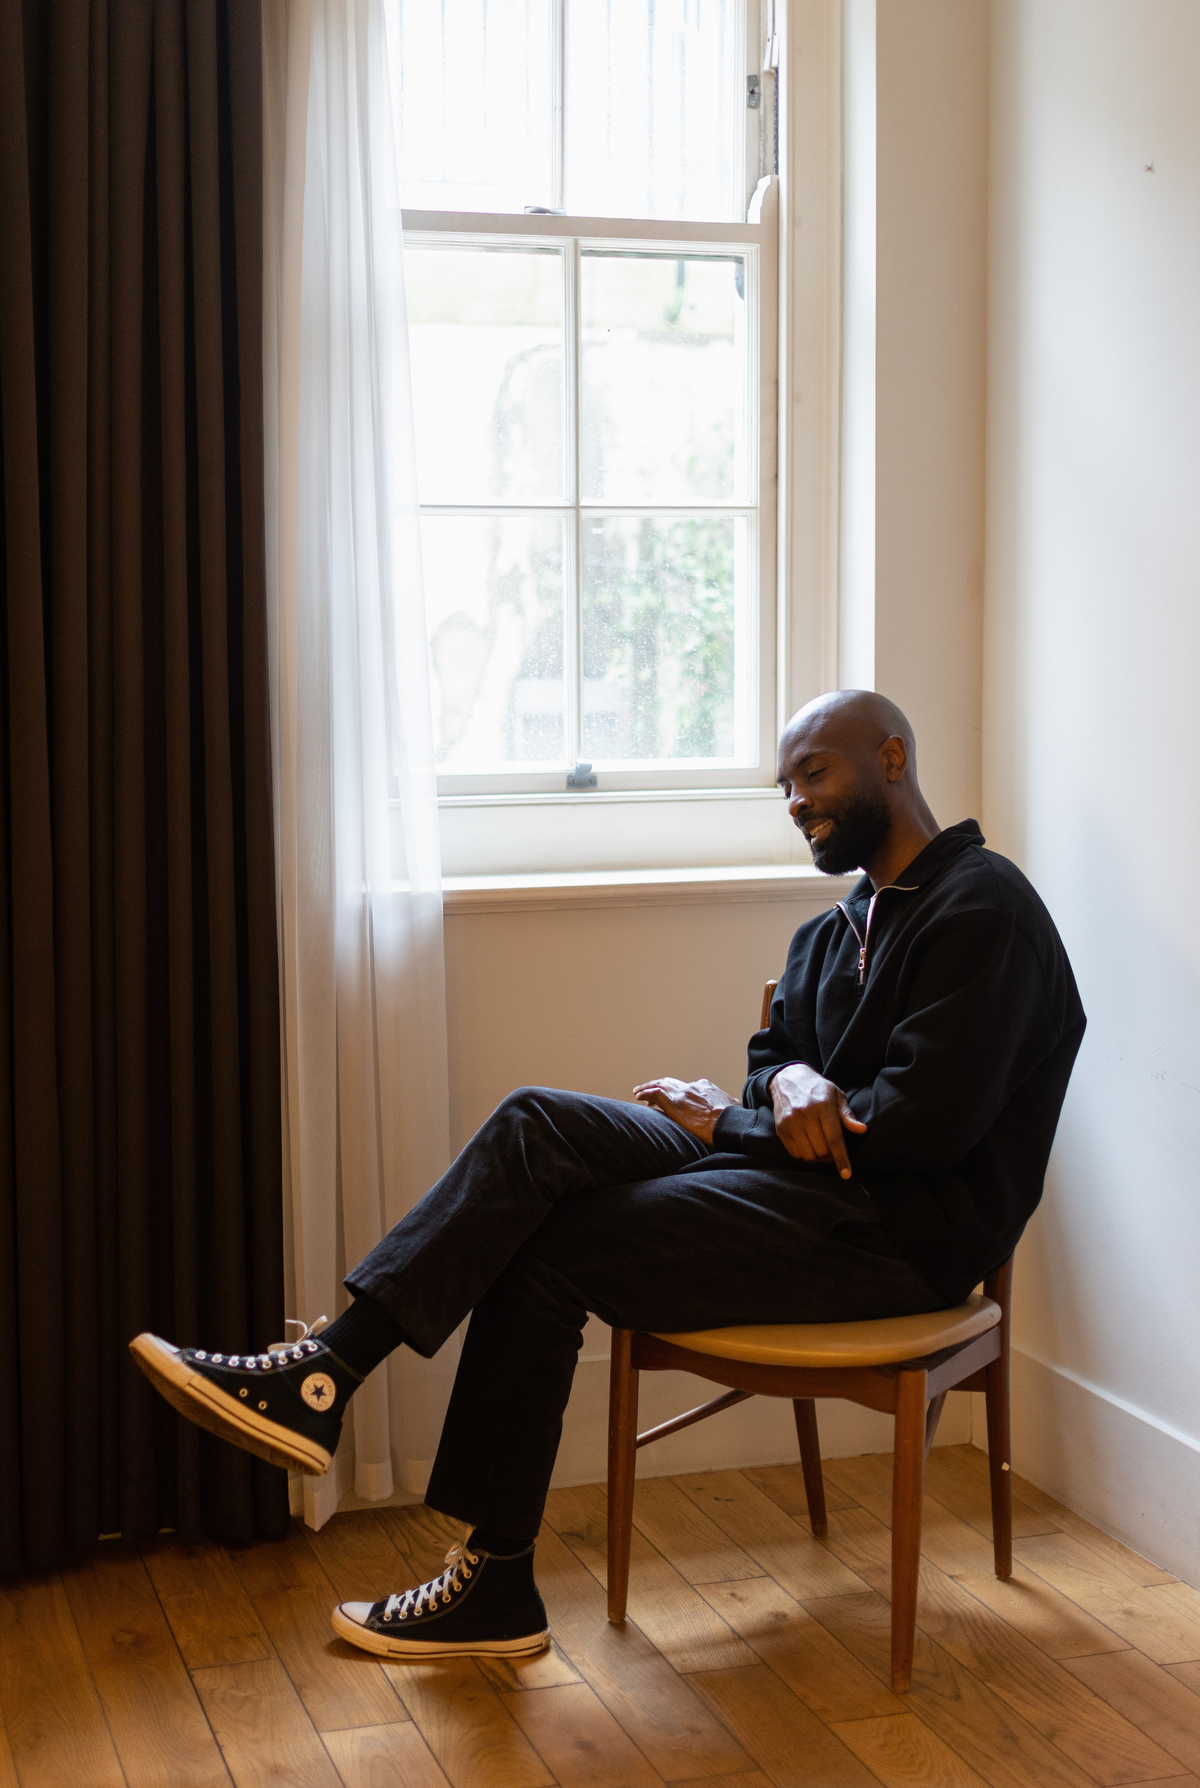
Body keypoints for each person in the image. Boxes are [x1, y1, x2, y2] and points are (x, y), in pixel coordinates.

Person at [131, 689, 1085, 1662]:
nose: (795, 800)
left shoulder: (985, 907)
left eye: (814, 773)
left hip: (897, 1235)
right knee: (535, 1125)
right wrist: (783, 1083)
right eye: (784, 786)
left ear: (892, 758)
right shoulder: (832, 932)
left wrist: (729, 1120)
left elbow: (918, 1130)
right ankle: (326, 1375)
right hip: (802, 1190)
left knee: (552, 1246)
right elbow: (769, 1062)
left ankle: (493, 1581)